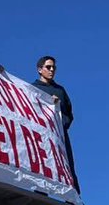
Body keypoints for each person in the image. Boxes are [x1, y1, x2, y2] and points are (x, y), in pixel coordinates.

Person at [31, 56, 78, 192]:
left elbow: (69, 114)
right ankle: (39, 193)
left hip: (60, 135)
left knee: (66, 164)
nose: (52, 70)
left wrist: (61, 123)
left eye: (54, 68)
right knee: (42, 162)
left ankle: (73, 197)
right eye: (48, 67)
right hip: (41, 134)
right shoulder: (32, 89)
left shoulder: (60, 91)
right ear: (40, 70)